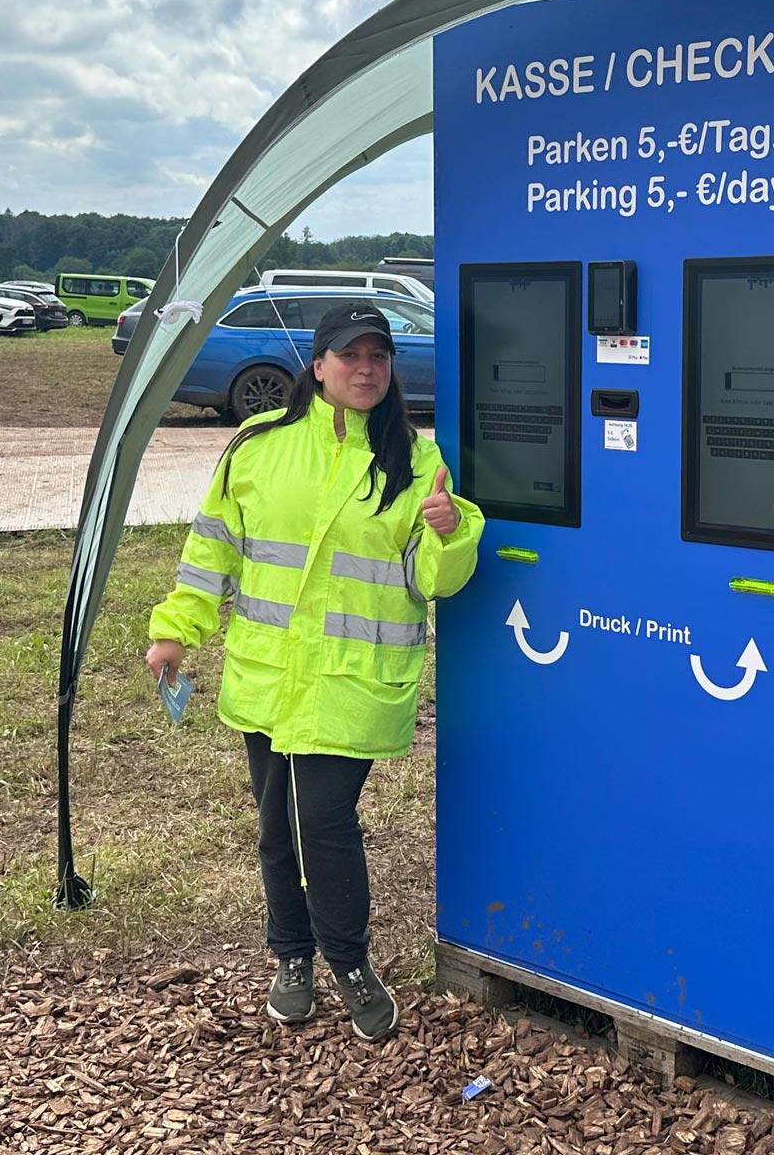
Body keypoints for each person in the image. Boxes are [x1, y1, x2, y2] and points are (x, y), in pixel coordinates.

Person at [144, 301, 483, 1041]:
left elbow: (436, 580)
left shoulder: (417, 459)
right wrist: (176, 631)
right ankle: (290, 958)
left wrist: (452, 533)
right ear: (318, 364)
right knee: (275, 828)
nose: (366, 370)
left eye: (379, 357)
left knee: (323, 822)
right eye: (351, 356)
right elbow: (212, 551)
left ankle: (350, 962)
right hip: (269, 676)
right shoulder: (257, 445)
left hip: (354, 679)